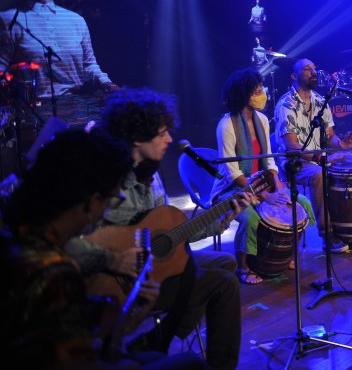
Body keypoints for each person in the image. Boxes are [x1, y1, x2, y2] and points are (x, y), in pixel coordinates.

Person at [65, 88, 250, 369]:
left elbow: (171, 231)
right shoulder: (102, 178)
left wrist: (222, 219)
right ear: (137, 137)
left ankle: (156, 338)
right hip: (115, 282)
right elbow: (65, 244)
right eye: (162, 133)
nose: (170, 139)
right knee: (222, 283)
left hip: (151, 269)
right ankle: (162, 342)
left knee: (223, 266)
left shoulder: (151, 174)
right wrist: (113, 259)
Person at [0, 128, 207, 369]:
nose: (110, 206)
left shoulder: (18, 234)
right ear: (91, 201)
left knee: (154, 359)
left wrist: (134, 314)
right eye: (112, 197)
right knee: (189, 363)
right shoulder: (53, 272)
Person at [273, 59, 352, 254]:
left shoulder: (321, 101)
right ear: (294, 76)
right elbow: (291, 144)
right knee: (319, 175)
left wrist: (341, 144)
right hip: (296, 162)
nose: (313, 72)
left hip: (321, 157)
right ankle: (327, 235)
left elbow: (330, 136)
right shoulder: (286, 104)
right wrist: (318, 157)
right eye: (307, 69)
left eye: (314, 68)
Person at [209, 67, 303, 285]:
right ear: (244, 95)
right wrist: (263, 196)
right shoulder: (226, 125)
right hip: (233, 188)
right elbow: (231, 171)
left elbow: (268, 160)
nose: (263, 95)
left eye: (262, 90)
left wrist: (278, 188)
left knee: (300, 204)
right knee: (250, 217)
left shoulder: (261, 119)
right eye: (257, 91)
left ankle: (283, 255)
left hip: (261, 183)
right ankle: (243, 267)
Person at [0, 0, 117, 99]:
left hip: (80, 105)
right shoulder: (8, 19)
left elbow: (89, 65)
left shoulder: (75, 20)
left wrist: (107, 83)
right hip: (36, 110)